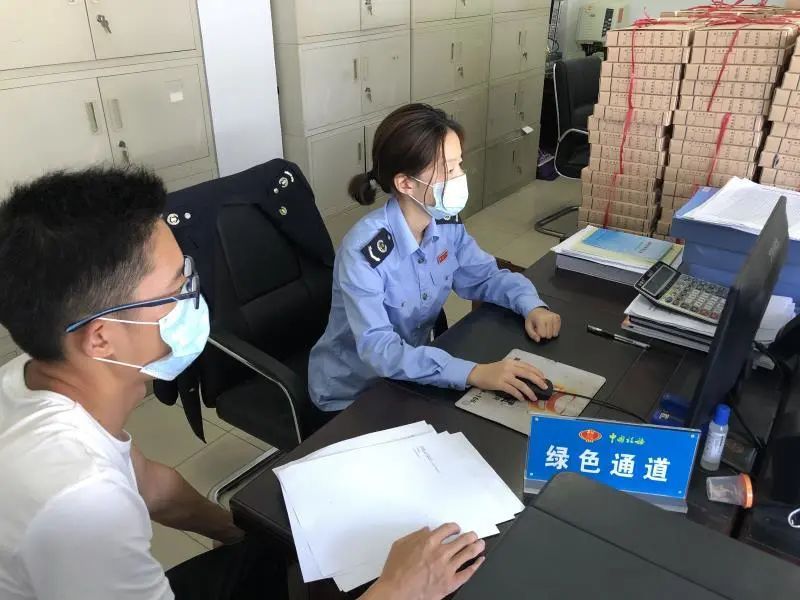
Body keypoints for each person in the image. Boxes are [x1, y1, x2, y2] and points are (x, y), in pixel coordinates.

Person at [0, 168, 485, 600]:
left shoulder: (39, 376)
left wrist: (242, 536)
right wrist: (400, 590)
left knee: (284, 556)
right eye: (177, 288)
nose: (195, 297)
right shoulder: (78, 505)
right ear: (101, 338)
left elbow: (152, 485)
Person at [309, 103, 562, 411]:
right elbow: (380, 350)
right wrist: (473, 373)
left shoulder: (444, 224)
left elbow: (485, 276)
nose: (460, 177)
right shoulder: (365, 252)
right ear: (405, 183)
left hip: (412, 377)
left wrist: (531, 304)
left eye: (459, 165)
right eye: (449, 170)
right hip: (354, 395)